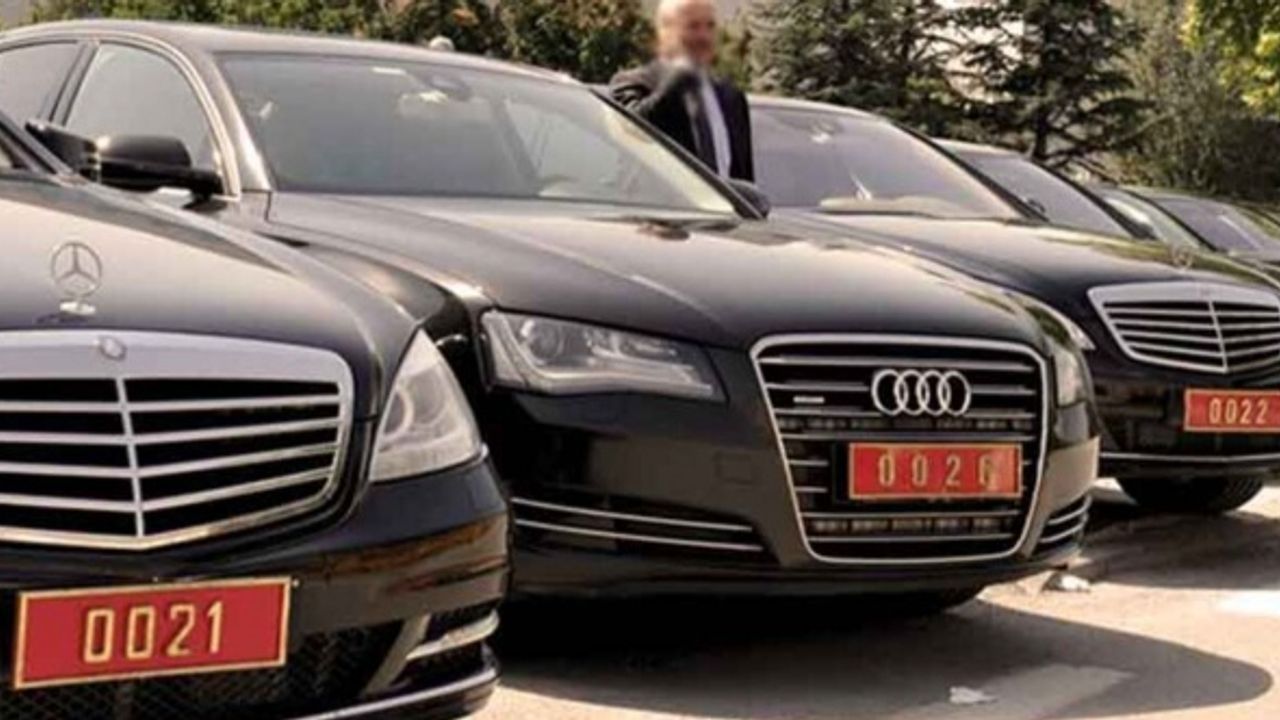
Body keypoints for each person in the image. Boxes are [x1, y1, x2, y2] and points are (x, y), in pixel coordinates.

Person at [610, 0, 754, 182]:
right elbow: (635, 130)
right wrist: (679, 78)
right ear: (665, 32)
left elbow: (743, 178)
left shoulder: (731, 97)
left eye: (710, 26)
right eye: (693, 26)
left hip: (717, 202)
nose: (704, 36)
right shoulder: (633, 83)